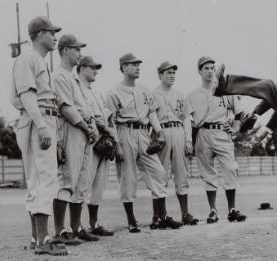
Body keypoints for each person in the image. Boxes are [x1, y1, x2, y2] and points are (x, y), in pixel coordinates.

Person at [213, 42, 277, 221]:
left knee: (268, 85)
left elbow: (272, 93)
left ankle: (226, 85)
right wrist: (264, 129)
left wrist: (254, 114)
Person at [106, 53, 183, 232]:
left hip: (144, 133)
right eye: (133, 65)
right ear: (124, 68)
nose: (138, 67)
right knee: (128, 177)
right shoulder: (113, 92)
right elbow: (111, 121)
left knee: (159, 171)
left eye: (138, 64)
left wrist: (159, 131)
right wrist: (116, 143)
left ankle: (162, 218)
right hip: (124, 132)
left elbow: (151, 113)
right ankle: (131, 220)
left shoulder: (144, 89)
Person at [11, 16, 67, 255]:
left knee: (37, 180)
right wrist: (41, 125)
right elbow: (25, 96)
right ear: (39, 33)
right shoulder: (27, 58)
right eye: (51, 32)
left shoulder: (38, 61)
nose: (55, 36)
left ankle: (37, 238)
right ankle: (44, 240)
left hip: (42, 118)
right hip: (38, 120)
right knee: (45, 180)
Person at [52, 34, 100, 244]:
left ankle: (76, 227)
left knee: (82, 181)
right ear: (64, 50)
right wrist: (85, 126)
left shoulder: (73, 77)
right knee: (67, 179)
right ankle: (61, 231)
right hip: (71, 128)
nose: (79, 53)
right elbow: (66, 107)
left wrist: (90, 127)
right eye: (76, 49)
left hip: (84, 128)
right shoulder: (59, 75)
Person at [187, 56, 247, 223]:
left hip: (221, 132)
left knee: (230, 167)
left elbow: (239, 113)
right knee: (208, 173)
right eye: (205, 68)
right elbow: (188, 120)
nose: (210, 71)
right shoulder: (192, 95)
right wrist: (190, 142)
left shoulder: (225, 91)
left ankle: (232, 209)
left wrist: (235, 128)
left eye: (212, 68)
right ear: (199, 71)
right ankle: (213, 210)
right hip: (202, 132)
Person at [150, 61, 198, 227]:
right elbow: (151, 116)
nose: (171, 75)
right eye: (168, 72)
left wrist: (189, 140)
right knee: (159, 174)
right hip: (161, 132)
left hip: (178, 131)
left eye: (173, 73)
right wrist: (157, 134)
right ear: (160, 75)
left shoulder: (179, 94)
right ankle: (157, 215)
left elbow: (186, 118)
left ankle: (185, 213)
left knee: (181, 173)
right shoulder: (153, 94)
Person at [76, 55, 116, 236]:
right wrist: (107, 127)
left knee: (100, 183)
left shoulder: (98, 93)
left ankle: (94, 223)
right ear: (82, 68)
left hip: (103, 139)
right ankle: (75, 225)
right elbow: (89, 116)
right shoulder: (78, 89)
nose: (95, 71)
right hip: (88, 137)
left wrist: (111, 133)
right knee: (84, 182)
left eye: (96, 68)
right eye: (92, 67)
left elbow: (108, 115)